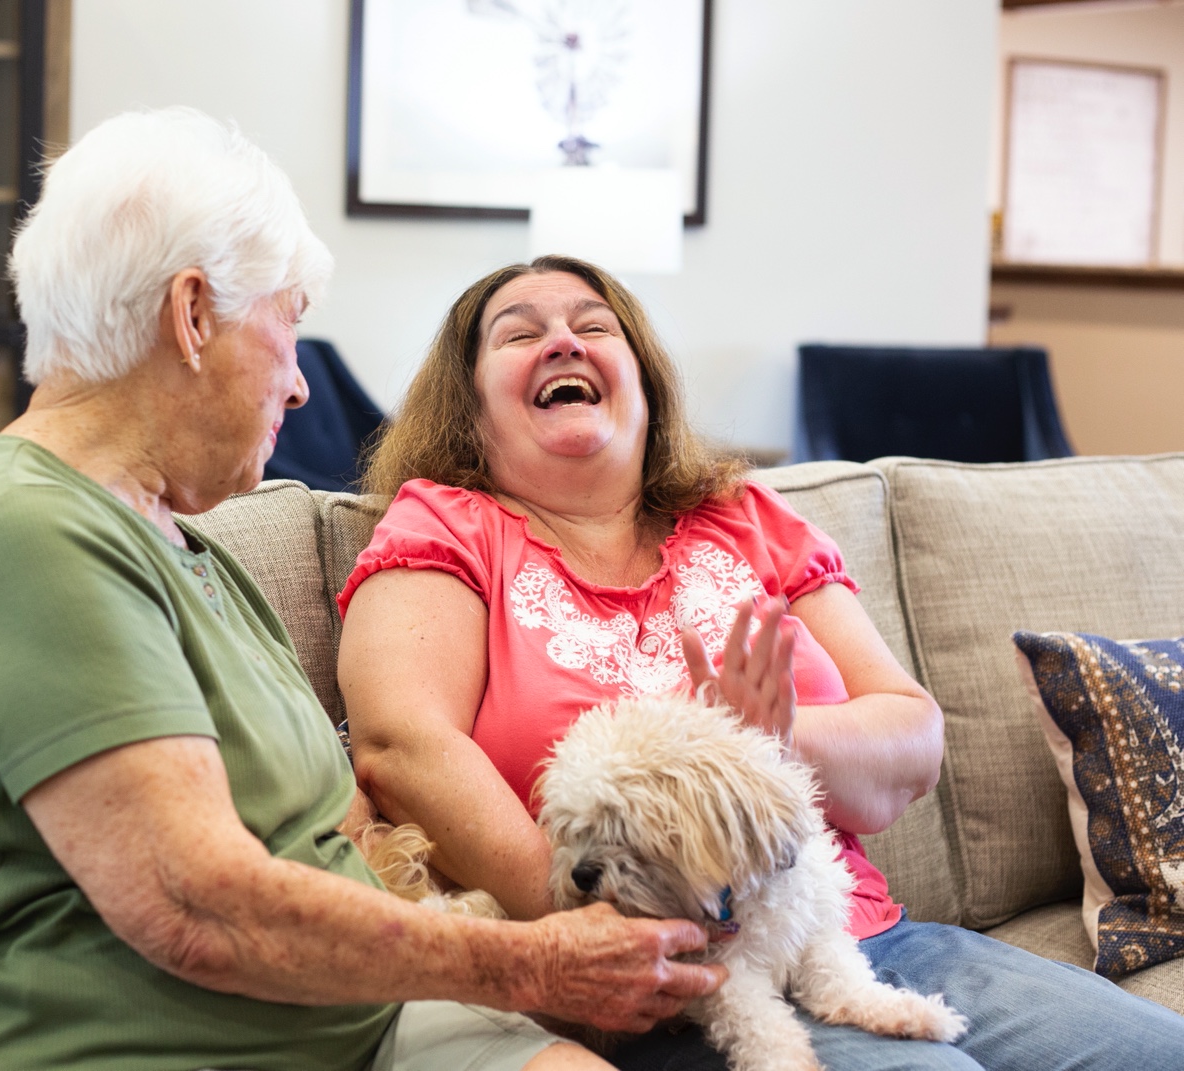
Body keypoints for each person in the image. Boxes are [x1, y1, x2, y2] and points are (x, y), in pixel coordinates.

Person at [0, 113, 728, 1071]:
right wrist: (529, 962)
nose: (303, 385)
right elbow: (194, 904)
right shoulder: (22, 534)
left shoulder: (190, 549)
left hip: (373, 1023)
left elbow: (342, 828)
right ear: (192, 316)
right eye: (289, 319)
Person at [335, 255, 1184, 1071]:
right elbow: (401, 744)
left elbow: (912, 739)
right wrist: (588, 937)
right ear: (469, 406)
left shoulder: (744, 515)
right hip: (667, 982)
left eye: (594, 325)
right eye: (519, 334)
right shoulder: (444, 524)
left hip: (848, 928)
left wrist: (766, 740)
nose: (563, 341)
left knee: (1159, 1053)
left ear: (646, 381)